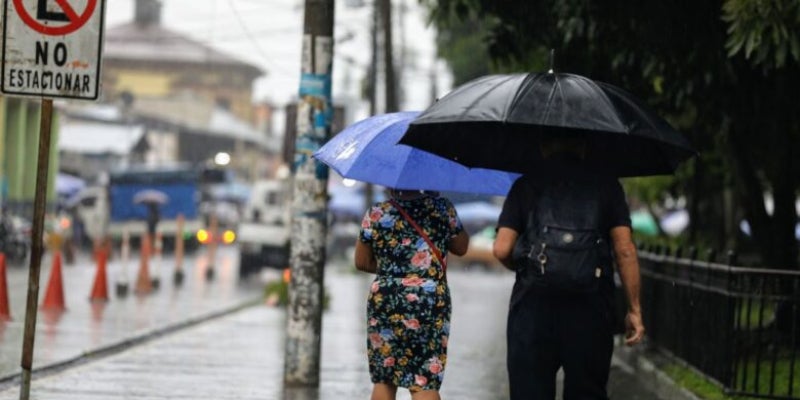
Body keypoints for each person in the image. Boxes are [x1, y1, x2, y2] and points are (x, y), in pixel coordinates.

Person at [493, 136, 646, 400]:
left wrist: (529, 268)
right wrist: (634, 309)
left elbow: (501, 249)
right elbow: (624, 250)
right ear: (584, 145)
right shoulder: (607, 186)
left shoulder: (525, 185)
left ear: (543, 145)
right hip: (590, 310)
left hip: (532, 310)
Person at [355, 188, 470, 400]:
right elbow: (461, 248)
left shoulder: (376, 213)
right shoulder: (443, 209)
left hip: (386, 298)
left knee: (385, 377)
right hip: (428, 299)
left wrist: (395, 272)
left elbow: (362, 262)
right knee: (423, 380)